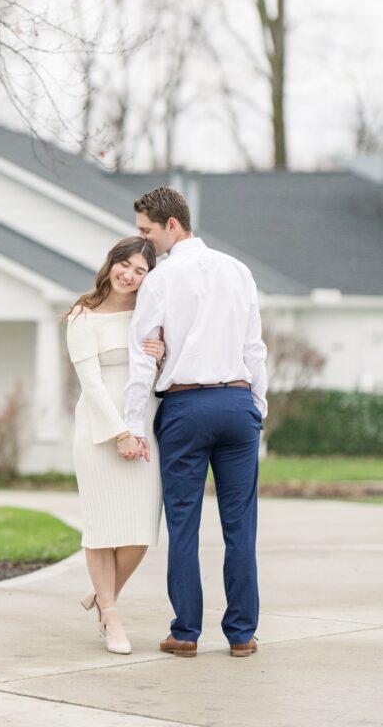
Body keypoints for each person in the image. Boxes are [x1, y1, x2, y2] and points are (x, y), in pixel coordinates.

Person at [121, 186, 268, 659]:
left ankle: (185, 633)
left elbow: (143, 356)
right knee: (240, 526)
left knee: (183, 525)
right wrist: (257, 407)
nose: (144, 241)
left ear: (172, 225)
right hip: (237, 404)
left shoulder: (160, 281)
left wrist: (134, 424)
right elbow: (254, 349)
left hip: (185, 409)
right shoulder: (238, 270)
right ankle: (242, 635)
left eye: (147, 231)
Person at [66, 236, 164, 656]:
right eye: (125, 264)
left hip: (146, 430)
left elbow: (164, 375)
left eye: (140, 270)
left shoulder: (151, 314)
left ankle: (100, 595)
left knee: (139, 532)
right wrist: (119, 432)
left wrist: (163, 354)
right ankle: (110, 613)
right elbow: (91, 384)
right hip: (98, 435)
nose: (130, 274)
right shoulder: (81, 317)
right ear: (111, 264)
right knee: (103, 529)